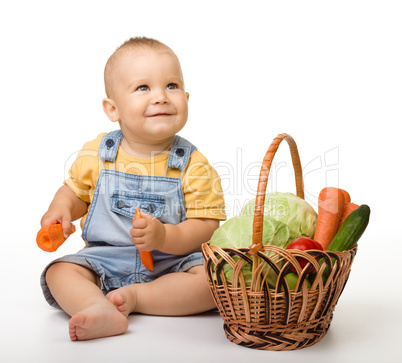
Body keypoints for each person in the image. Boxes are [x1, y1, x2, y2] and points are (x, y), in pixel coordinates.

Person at [40, 37, 226, 341]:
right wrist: (61, 210)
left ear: (187, 99)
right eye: (143, 88)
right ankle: (95, 306)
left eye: (171, 86)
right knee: (59, 272)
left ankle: (138, 297)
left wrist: (166, 236)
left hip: (172, 266)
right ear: (113, 109)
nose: (161, 97)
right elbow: (74, 193)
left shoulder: (194, 164)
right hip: (105, 260)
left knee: (214, 281)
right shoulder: (98, 153)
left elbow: (207, 226)